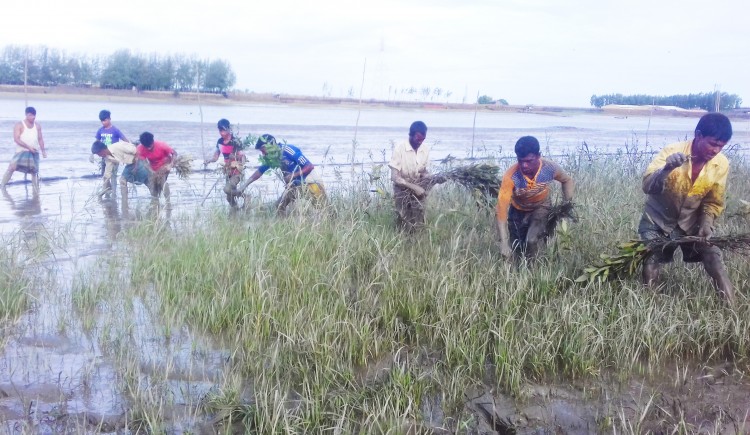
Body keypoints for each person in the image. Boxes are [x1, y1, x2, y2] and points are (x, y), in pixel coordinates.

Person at [639, 113, 735, 304]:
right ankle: (649, 305)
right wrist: (666, 169)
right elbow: (648, 187)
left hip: (691, 223)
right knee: (651, 258)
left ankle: (732, 308)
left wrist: (706, 223)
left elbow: (713, 201)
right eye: (713, 143)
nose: (716, 150)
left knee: (714, 257)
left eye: (721, 146)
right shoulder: (671, 152)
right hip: (658, 220)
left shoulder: (721, 164)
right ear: (698, 135)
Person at [496, 136, 574, 259]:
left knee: (531, 241)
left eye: (529, 161)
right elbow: (501, 211)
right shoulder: (511, 176)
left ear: (538, 156)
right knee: (517, 248)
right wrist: (503, 244)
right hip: (517, 210)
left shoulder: (549, 168)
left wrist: (566, 206)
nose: (524, 165)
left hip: (541, 207)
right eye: (520, 161)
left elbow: (567, 180)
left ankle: (533, 270)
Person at [233, 134, 325, 215]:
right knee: (279, 206)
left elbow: (309, 166)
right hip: (294, 186)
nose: (263, 154)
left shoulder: (288, 150)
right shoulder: (272, 157)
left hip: (311, 182)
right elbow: (259, 172)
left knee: (324, 209)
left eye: (263, 150)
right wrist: (244, 186)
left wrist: (294, 175)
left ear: (269, 146)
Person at [388, 121, 432, 232]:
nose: (420, 142)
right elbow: (395, 177)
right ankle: (402, 240)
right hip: (401, 189)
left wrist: (427, 177)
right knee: (403, 220)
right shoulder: (400, 148)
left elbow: (423, 170)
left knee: (419, 221)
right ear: (410, 135)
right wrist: (414, 187)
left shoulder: (425, 149)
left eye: (423, 139)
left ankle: (417, 243)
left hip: (419, 187)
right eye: (418, 138)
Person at [1, 107, 47, 193]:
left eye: (34, 115)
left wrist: (43, 151)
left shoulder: (37, 125)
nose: (33, 117)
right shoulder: (19, 125)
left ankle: (35, 190)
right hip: (21, 151)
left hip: (34, 151)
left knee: (34, 171)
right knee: (12, 167)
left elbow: (40, 139)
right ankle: (2, 186)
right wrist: (28, 147)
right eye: (30, 115)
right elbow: (16, 139)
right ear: (26, 115)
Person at [204, 119, 246, 207]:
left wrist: (234, 157)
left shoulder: (235, 141)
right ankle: (236, 212)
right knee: (229, 198)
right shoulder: (219, 142)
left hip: (237, 172)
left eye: (223, 130)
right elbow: (215, 157)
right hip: (228, 171)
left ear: (229, 129)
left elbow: (243, 158)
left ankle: (246, 196)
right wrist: (208, 160)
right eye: (220, 130)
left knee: (227, 189)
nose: (222, 133)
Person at [94, 110, 130, 195]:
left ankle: (113, 191)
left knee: (113, 174)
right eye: (102, 121)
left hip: (114, 156)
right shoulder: (100, 131)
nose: (103, 122)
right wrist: (93, 154)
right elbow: (97, 143)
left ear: (109, 119)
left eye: (105, 120)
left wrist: (129, 148)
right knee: (104, 174)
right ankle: (108, 190)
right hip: (104, 155)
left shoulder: (115, 130)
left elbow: (125, 140)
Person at [135, 131, 176, 199]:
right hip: (153, 167)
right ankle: (155, 201)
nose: (149, 148)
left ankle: (168, 201)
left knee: (162, 182)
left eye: (150, 146)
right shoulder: (140, 148)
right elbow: (144, 162)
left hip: (164, 164)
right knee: (153, 186)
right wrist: (151, 171)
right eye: (147, 147)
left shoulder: (162, 145)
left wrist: (170, 165)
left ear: (153, 141)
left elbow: (174, 153)